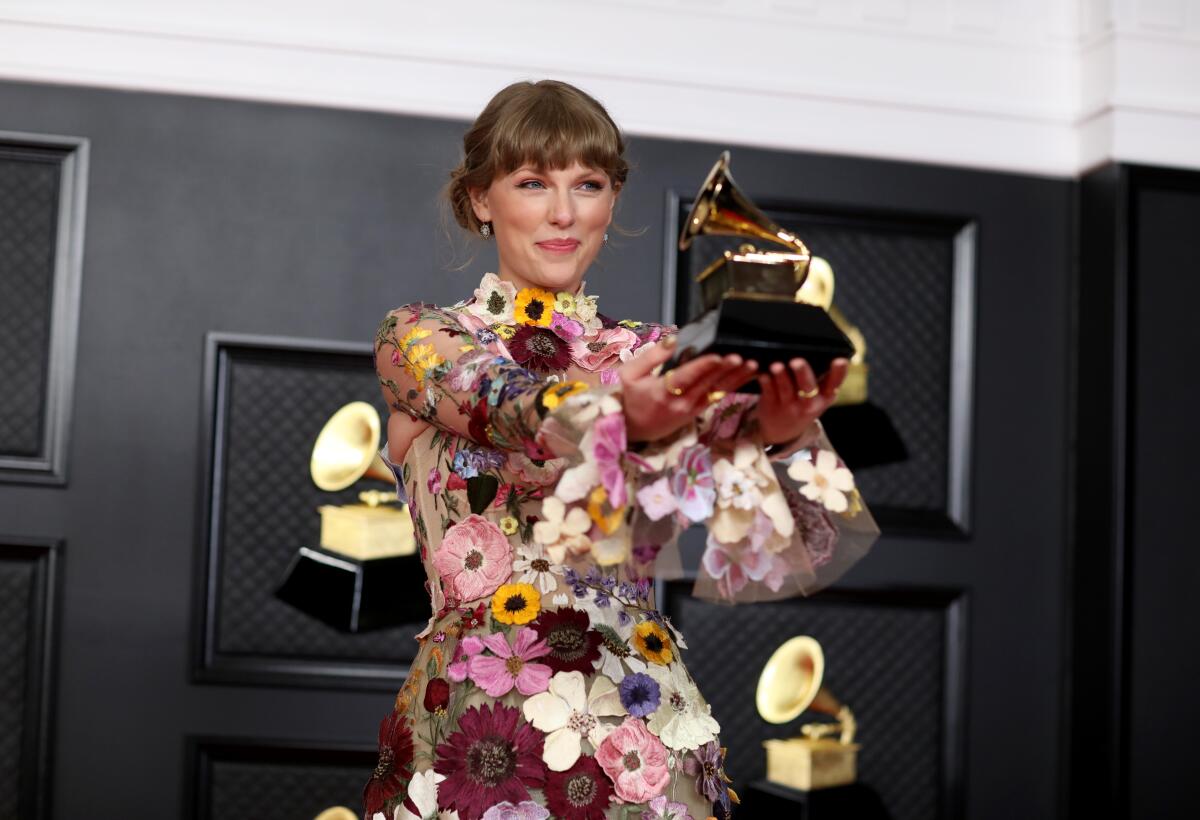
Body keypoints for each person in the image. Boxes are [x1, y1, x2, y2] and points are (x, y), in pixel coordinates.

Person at [364, 79, 879, 820]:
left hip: (645, 732)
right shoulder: (419, 338)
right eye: (533, 182)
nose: (564, 212)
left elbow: (806, 541)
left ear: (612, 200)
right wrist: (617, 413)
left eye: (589, 184)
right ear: (482, 199)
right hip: (474, 735)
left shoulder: (656, 354)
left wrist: (783, 433)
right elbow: (499, 401)